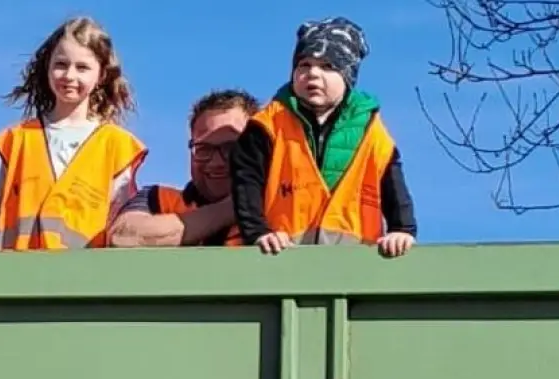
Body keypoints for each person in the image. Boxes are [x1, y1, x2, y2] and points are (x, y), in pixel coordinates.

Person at [231, 17, 418, 257]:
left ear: (348, 75)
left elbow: (393, 183)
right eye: (304, 65)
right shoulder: (267, 124)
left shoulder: (371, 129)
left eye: (328, 66)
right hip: (281, 256)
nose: (313, 74)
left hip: (355, 261)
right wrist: (258, 233)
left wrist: (402, 229)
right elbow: (246, 180)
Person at [0, 16, 147, 250]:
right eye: (61, 64)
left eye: (82, 68)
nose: (69, 76)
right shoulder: (18, 139)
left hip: (87, 271)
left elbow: (121, 226)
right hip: (20, 268)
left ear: (101, 75)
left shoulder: (116, 145)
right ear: (48, 67)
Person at [109, 89, 259, 247]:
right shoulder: (159, 200)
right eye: (203, 149)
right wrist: (230, 209)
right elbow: (121, 236)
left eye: (231, 148)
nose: (216, 162)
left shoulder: (273, 206)